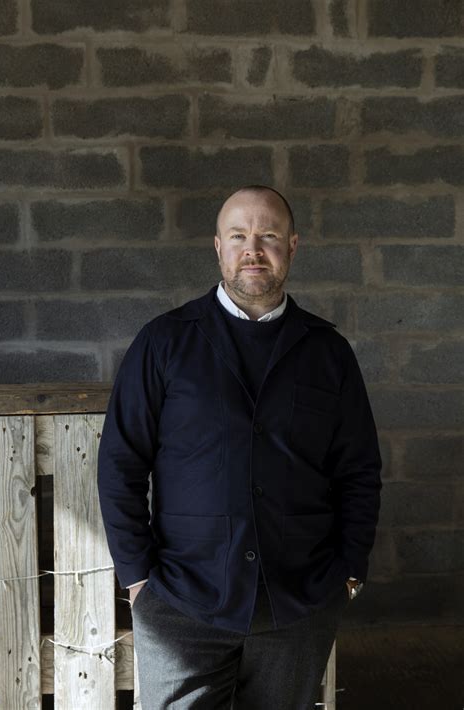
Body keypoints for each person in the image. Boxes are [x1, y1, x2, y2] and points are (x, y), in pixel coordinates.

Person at [97, 184, 382, 709]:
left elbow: (358, 469)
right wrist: (138, 580)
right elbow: (121, 463)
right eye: (238, 236)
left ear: (291, 246)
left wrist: (348, 570)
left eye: (268, 236)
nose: (253, 249)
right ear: (218, 247)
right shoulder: (163, 342)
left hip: (299, 603)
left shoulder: (328, 352)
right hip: (181, 603)